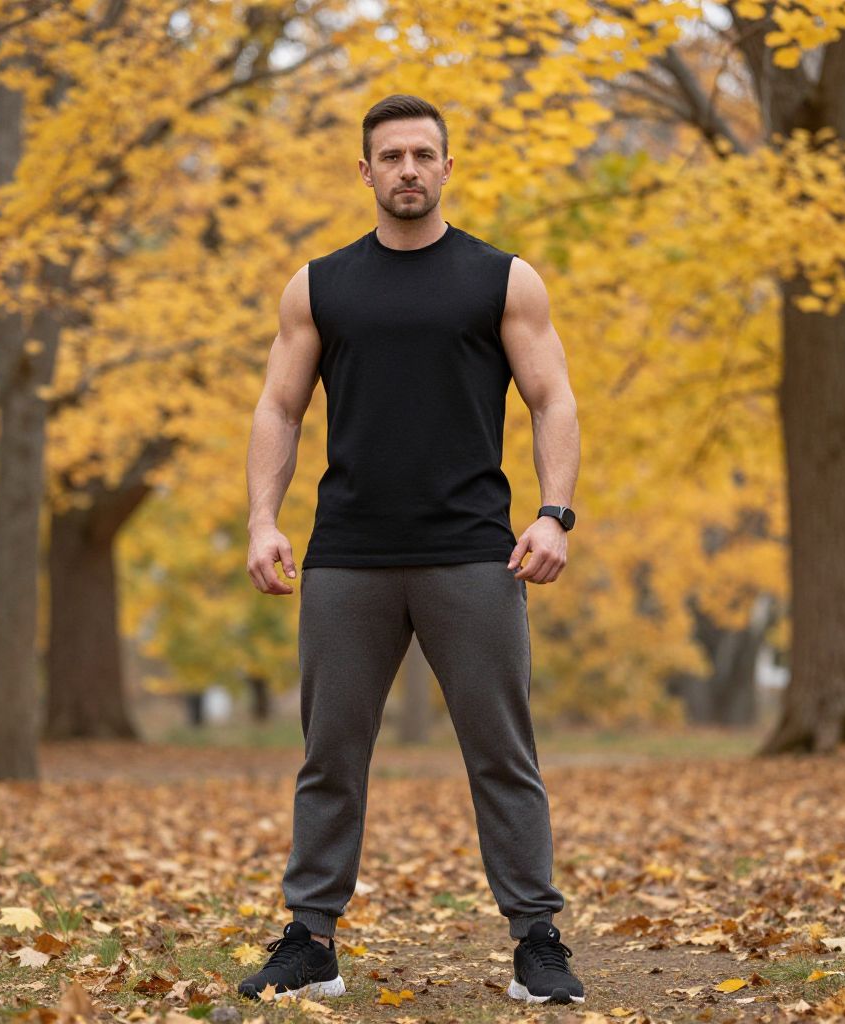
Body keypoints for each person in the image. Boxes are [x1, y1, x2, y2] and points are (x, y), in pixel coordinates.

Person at [240, 93, 583, 1006]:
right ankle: (311, 941)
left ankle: (537, 943)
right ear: (364, 171)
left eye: (423, 154)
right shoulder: (318, 285)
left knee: (502, 752)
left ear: (446, 166)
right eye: (389, 156)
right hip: (347, 553)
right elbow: (278, 406)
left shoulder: (501, 279)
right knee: (330, 756)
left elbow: (553, 398)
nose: (406, 169)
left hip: (473, 552)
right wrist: (261, 520)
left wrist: (555, 513)